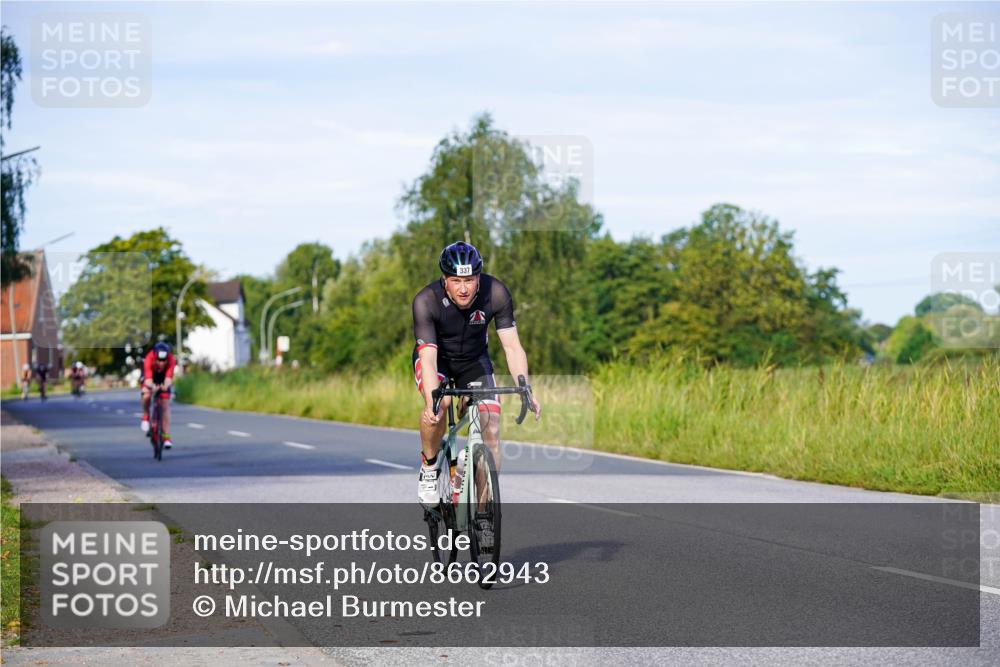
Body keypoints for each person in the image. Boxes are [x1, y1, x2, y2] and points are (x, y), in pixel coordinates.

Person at [411, 241, 540, 507]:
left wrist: (525, 387)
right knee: (440, 406)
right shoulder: (426, 300)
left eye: (469, 280)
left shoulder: (496, 293)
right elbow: (428, 357)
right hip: (438, 362)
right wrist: (431, 402)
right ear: (444, 280)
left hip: (474, 362)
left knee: (490, 422)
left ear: (478, 277)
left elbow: (512, 346)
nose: (464, 288)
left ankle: (483, 511)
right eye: (456, 280)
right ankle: (429, 467)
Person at [140, 342, 176, 449]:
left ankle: (166, 437)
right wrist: (152, 387)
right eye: (159, 360)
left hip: (163, 377)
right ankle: (146, 416)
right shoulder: (149, 359)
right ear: (155, 356)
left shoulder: (171, 360)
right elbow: (148, 380)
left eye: (164, 360)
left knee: (165, 406)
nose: (161, 363)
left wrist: (165, 386)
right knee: (146, 395)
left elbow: (169, 379)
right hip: (150, 376)